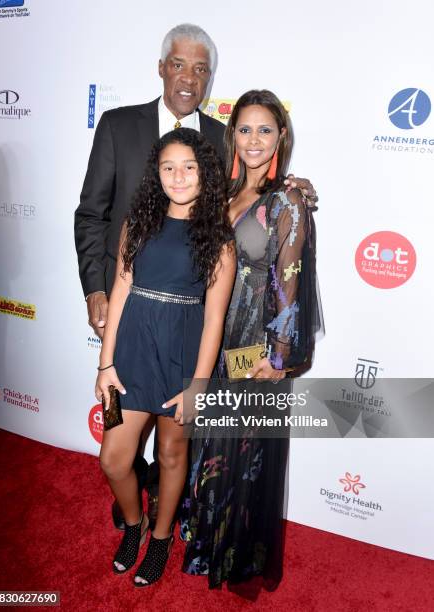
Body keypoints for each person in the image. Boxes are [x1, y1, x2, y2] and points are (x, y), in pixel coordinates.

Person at [75, 22, 317, 530]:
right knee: (124, 444)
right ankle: (139, 510)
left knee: (185, 439)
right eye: (179, 64)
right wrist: (96, 288)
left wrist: (297, 187)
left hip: (205, 326)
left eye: (201, 68)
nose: (189, 76)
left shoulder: (220, 140)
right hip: (133, 313)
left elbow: (258, 199)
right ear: (162, 67)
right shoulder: (118, 125)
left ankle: (174, 521)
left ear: (210, 79)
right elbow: (92, 214)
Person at [182, 90, 322, 590]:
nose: (254, 140)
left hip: (251, 347)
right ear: (232, 135)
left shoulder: (287, 201)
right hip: (210, 336)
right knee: (211, 442)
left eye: (266, 130)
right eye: (245, 129)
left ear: (281, 135)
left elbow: (289, 279)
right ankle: (207, 542)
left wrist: (279, 356)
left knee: (242, 453)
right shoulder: (223, 193)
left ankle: (235, 559)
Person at [95, 127, 236, 586]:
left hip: (182, 355)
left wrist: (198, 385)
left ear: (205, 174)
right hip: (131, 355)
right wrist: (105, 363)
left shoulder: (219, 239)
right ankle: (134, 527)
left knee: (173, 454)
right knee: (115, 458)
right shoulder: (137, 224)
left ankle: (159, 539)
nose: (178, 176)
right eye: (168, 167)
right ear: (156, 173)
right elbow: (120, 290)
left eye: (189, 167)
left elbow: (214, 319)